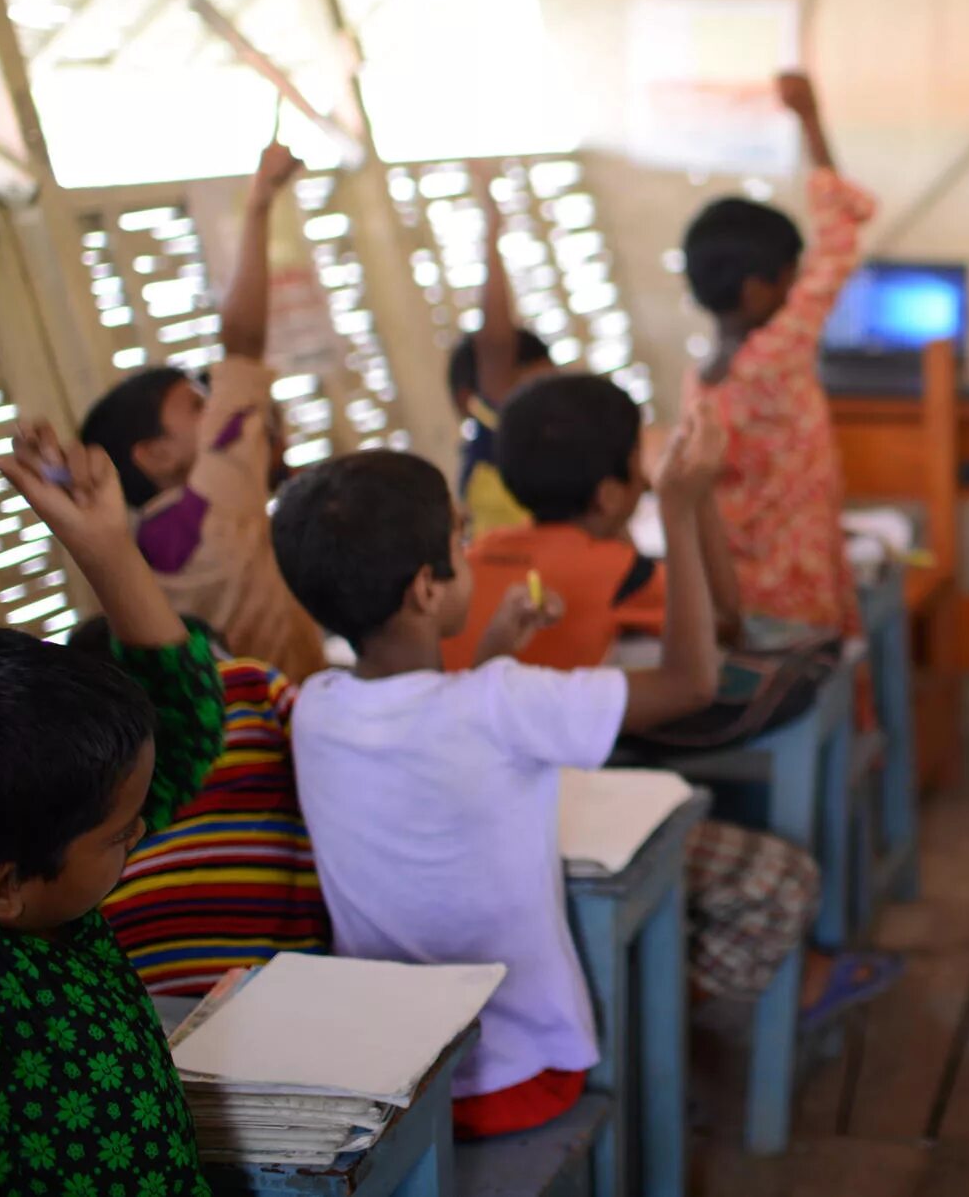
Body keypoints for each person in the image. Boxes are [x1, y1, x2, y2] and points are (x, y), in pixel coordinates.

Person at [273, 410, 738, 1138]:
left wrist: (495, 646)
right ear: (427, 589)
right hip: (519, 1071)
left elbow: (435, 726)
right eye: (460, 541)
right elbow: (691, 684)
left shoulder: (314, 710)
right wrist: (677, 511)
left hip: (391, 1078)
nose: (469, 549)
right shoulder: (502, 703)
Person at [440, 371, 897, 1025]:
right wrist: (694, 499)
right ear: (610, 492)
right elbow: (726, 623)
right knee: (778, 880)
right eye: (637, 463)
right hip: (555, 826)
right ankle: (652, 1015)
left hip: (475, 822)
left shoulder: (479, 557)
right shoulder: (613, 570)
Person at [0, 421, 226, 1196]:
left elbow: (181, 725)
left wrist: (107, 550)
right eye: (122, 835)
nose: (144, 828)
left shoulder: (52, 882)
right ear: (3, 887)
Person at [80, 141, 326, 680]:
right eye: (196, 406)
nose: (217, 411)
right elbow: (241, 345)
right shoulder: (208, 512)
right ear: (155, 454)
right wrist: (259, 203)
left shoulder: (146, 549)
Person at [679, 71, 873, 639]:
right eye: (790, 277)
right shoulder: (773, 358)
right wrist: (811, 120)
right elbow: (838, 238)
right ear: (756, 291)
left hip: (741, 597)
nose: (797, 289)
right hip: (799, 601)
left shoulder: (703, 379)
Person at [88, 615, 328, 997]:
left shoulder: (86, 769)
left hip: (144, 1004)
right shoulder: (246, 686)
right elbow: (337, 763)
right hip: (283, 981)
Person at [443, 372, 740, 671]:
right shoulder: (622, 573)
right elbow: (726, 625)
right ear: (608, 495)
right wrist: (699, 494)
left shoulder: (480, 550)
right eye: (638, 456)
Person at [448, 163, 559, 539]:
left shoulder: (542, 451)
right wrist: (493, 229)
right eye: (534, 387)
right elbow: (495, 342)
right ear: (471, 398)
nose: (549, 400)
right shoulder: (497, 429)